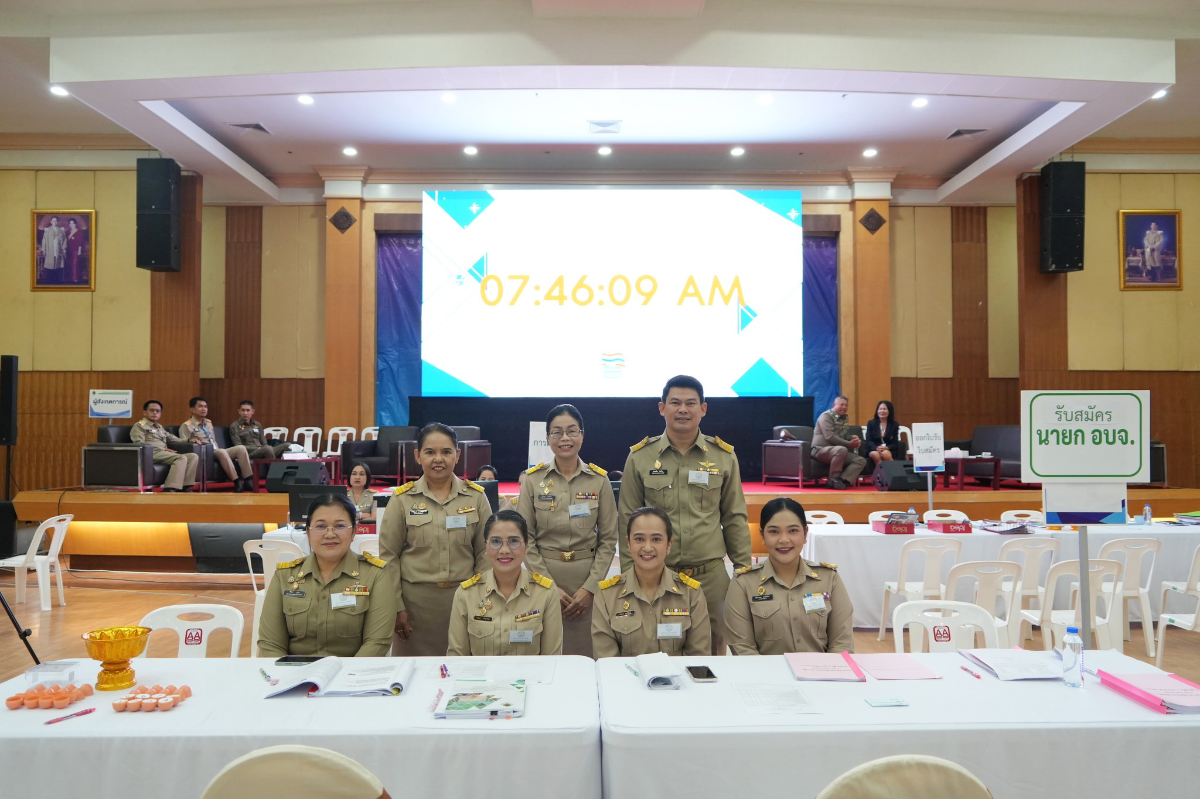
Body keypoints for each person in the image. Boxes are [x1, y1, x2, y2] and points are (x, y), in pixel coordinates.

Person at [618, 374, 749, 656]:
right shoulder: (640, 457)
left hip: (710, 577)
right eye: (675, 402)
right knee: (654, 644)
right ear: (661, 407)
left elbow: (734, 516)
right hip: (657, 574)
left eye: (691, 403)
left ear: (703, 409)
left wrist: (744, 570)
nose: (683, 409)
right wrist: (630, 574)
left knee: (713, 650)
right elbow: (626, 520)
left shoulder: (723, 456)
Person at [378, 422, 492, 657]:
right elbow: (389, 557)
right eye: (430, 452)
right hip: (415, 607)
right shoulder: (402, 500)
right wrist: (397, 606)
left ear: (457, 455)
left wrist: (481, 596)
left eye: (446, 452)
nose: (438, 459)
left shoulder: (477, 498)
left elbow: (486, 553)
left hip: (464, 601)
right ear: (418, 456)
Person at [516, 404, 618, 657]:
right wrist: (549, 585)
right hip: (544, 581)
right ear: (548, 438)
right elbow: (524, 537)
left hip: (587, 584)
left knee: (587, 653)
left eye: (572, 431)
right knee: (549, 654)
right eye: (557, 432)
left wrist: (590, 589)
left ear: (582, 435)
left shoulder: (598, 480)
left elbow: (608, 539)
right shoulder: (533, 480)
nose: (565, 438)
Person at [257, 493, 396, 658]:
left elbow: (377, 642)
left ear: (354, 533)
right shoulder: (285, 576)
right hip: (294, 675)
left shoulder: (375, 575)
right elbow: (270, 643)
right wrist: (288, 677)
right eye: (321, 526)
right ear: (308, 533)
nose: (330, 534)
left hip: (350, 676)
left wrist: (345, 677)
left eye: (340, 526)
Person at [724, 498, 854, 655]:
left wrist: (827, 675)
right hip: (765, 677)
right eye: (774, 532)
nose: (784, 539)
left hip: (822, 676)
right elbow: (742, 647)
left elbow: (842, 643)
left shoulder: (828, 579)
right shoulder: (743, 583)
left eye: (793, 531)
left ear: (805, 534)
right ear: (762, 536)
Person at [592, 507, 711, 658]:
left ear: (669, 545)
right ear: (628, 543)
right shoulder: (607, 595)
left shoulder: (691, 593)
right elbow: (607, 661)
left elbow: (698, 658)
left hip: (678, 680)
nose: (647, 547)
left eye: (656, 539)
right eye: (639, 539)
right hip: (625, 680)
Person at [447, 510, 564, 656]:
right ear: (486, 548)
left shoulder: (545, 592)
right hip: (481, 678)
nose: (504, 550)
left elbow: (552, 659)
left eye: (514, 541)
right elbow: (457, 658)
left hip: (530, 678)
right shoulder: (466, 594)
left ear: (526, 546)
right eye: (495, 542)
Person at [180, 396, 253, 492]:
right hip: (204, 452)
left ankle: (248, 480)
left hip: (216, 450)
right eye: (200, 406)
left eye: (205, 407)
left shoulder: (209, 423)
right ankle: (236, 481)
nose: (204, 409)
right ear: (192, 409)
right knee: (222, 452)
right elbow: (183, 445)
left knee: (241, 448)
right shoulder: (186, 426)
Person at [129, 399, 199, 493]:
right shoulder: (139, 426)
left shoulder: (159, 427)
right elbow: (139, 444)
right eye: (152, 410)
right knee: (180, 458)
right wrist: (162, 449)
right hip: (150, 454)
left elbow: (172, 438)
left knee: (193, 456)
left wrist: (188, 440)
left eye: (158, 411)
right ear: (145, 412)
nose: (155, 412)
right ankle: (169, 488)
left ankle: (185, 486)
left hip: (162, 452)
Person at [811, 395, 867, 490]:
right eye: (841, 405)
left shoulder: (844, 418)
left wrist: (851, 437)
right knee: (842, 449)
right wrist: (849, 444)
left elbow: (842, 435)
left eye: (846, 405)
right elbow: (830, 437)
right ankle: (833, 479)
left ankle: (841, 480)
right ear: (834, 405)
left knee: (860, 460)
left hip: (837, 451)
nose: (844, 407)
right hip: (820, 450)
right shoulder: (826, 416)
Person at [228, 400, 292, 460]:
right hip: (249, 453)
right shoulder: (235, 426)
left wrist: (264, 447)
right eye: (243, 410)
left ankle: (288, 470)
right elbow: (238, 446)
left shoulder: (257, 424)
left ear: (252, 411)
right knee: (267, 449)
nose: (245, 413)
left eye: (248, 410)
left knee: (288, 446)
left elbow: (263, 441)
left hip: (263, 450)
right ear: (239, 411)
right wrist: (259, 448)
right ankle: (273, 470)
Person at [864, 400, 903, 464]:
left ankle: (892, 472)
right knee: (875, 454)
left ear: (889, 411)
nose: (882, 411)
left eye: (884, 409)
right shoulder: (871, 423)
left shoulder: (894, 425)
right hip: (874, 449)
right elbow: (869, 440)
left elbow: (895, 443)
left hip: (887, 449)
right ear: (877, 411)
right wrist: (876, 448)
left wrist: (887, 448)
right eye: (880, 409)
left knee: (886, 454)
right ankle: (885, 473)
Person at [65, 218, 87, 284]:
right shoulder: (67, 232)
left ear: (75, 224)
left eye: (72, 223)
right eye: (70, 223)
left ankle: (75, 278)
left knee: (75, 264)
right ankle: (69, 278)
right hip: (68, 250)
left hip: (76, 250)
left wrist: (79, 250)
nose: (71, 224)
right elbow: (65, 242)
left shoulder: (79, 232)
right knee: (69, 264)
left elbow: (80, 242)